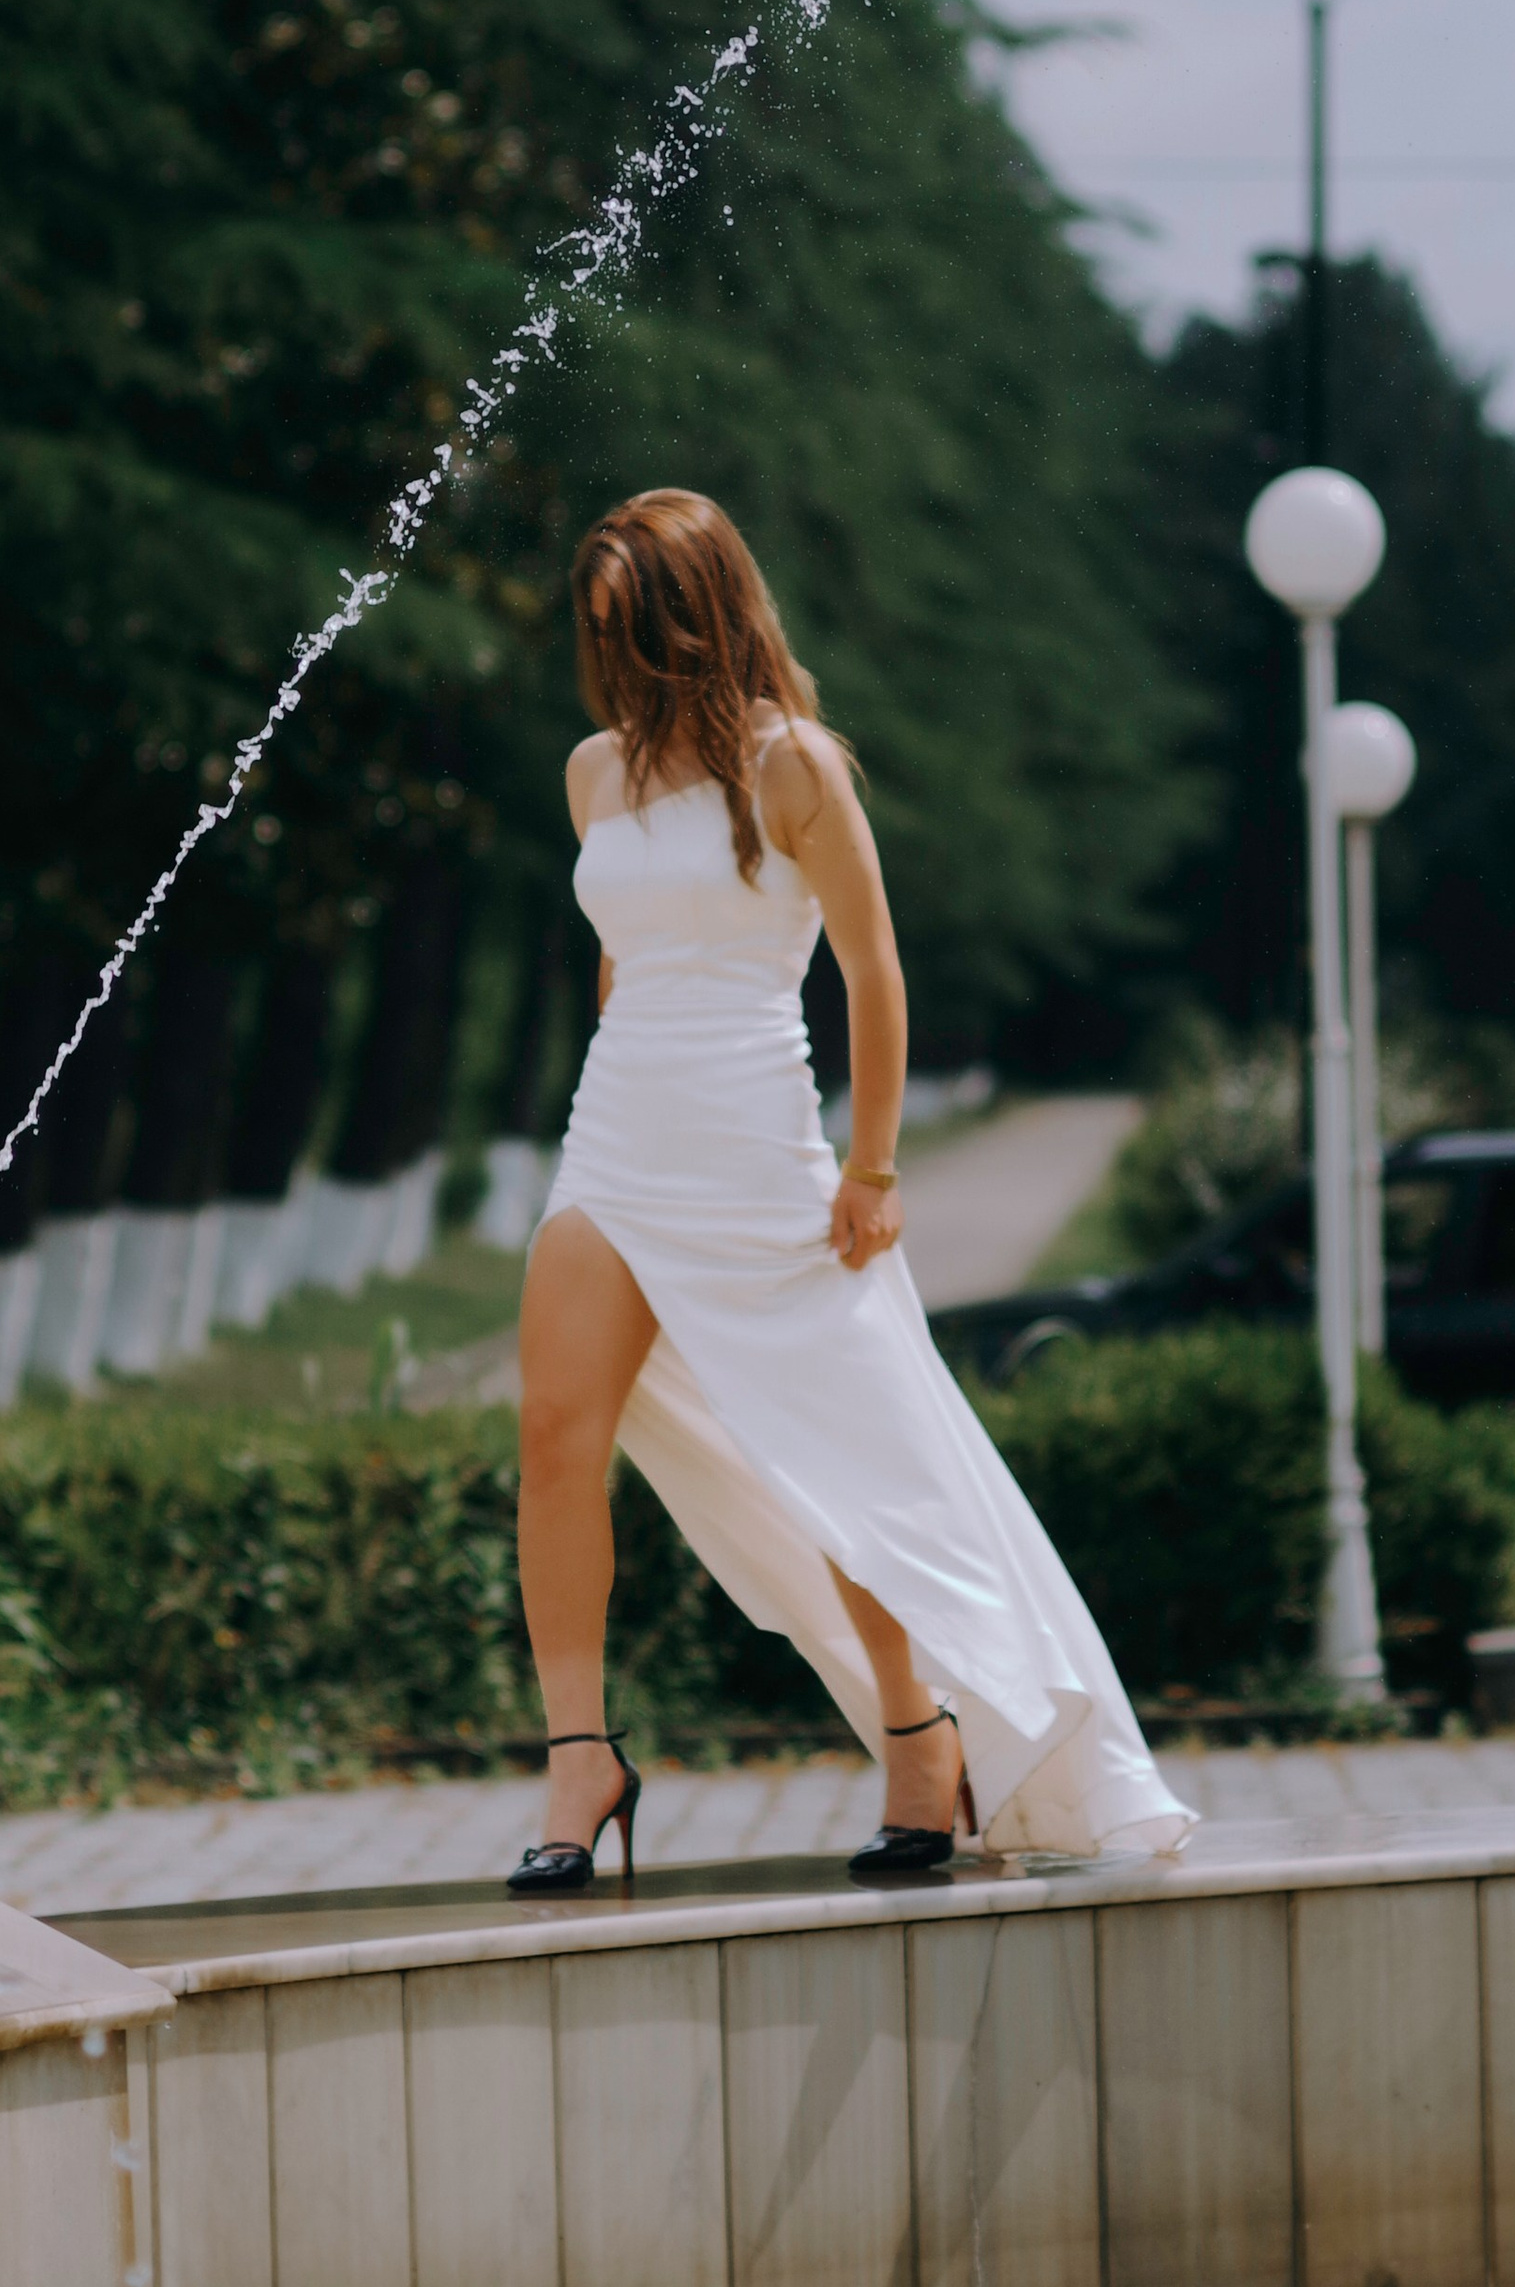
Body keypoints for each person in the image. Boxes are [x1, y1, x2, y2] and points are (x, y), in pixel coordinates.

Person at [508, 487, 1195, 1892]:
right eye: (597, 632)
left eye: (635, 628)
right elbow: (622, 964)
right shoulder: (593, 773)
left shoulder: (793, 764)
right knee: (554, 1435)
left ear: (700, 615)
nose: (615, 657)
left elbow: (874, 972)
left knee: (846, 1472)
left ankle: (919, 1741)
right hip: (621, 1137)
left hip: (764, 1154)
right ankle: (580, 1754)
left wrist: (874, 1169)